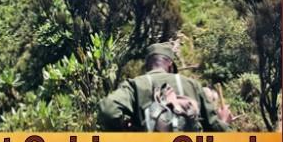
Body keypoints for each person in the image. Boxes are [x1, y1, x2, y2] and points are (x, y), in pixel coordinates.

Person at [98, 43, 232, 131]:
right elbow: (215, 129)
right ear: (170, 65)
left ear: (148, 65)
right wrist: (224, 122)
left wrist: (124, 130)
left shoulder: (135, 85)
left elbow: (107, 110)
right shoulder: (192, 85)